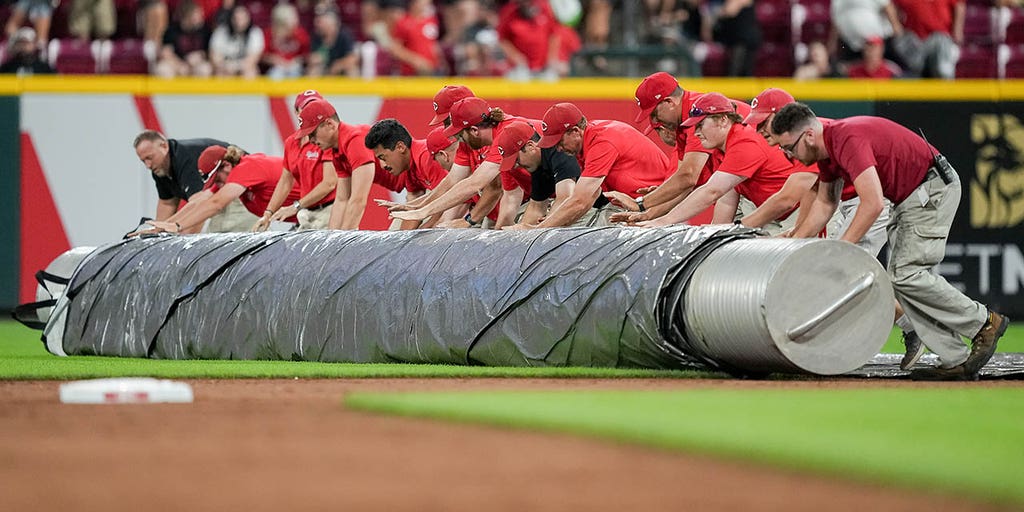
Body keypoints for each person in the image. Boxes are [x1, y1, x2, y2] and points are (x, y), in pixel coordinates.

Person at [771, 103, 1008, 380]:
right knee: (900, 279)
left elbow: (871, 204)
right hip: (910, 195)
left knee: (907, 274)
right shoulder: (827, 151)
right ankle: (954, 358)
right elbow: (825, 204)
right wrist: (795, 241)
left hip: (930, 189)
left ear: (808, 136)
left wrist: (843, 250)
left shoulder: (846, 139)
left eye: (789, 148)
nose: (788, 157)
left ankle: (985, 321)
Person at [630, 93, 810, 235]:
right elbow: (725, 200)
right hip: (773, 212)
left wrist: (661, 219)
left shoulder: (745, 141)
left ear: (723, 120)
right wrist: (712, 236)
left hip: (803, 209)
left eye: (700, 125)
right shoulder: (720, 149)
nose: (696, 133)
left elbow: (710, 191)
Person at [608, 72, 751, 224]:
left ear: (669, 102)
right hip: (739, 188)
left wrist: (641, 204)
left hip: (760, 183)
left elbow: (688, 177)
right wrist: (649, 214)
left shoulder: (699, 113)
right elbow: (686, 185)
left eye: (654, 114)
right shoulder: (685, 124)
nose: (654, 120)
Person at [391, 96, 542, 229]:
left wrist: (423, 211)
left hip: (549, 193)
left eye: (459, 134)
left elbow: (474, 184)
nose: (455, 139)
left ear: (474, 130)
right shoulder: (491, 139)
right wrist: (418, 206)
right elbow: (456, 180)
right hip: (540, 195)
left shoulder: (505, 137)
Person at [535, 102, 673, 227]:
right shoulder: (586, 141)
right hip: (636, 205)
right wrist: (554, 221)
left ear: (576, 131)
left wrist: (540, 231)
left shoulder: (601, 142)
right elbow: (589, 197)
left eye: (559, 142)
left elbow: (580, 201)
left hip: (658, 207)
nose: (558, 148)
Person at [141, 145, 298, 234]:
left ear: (227, 165)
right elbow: (200, 201)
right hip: (306, 213)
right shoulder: (233, 175)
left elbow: (216, 204)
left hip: (318, 210)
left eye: (217, 178)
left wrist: (177, 226)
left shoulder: (247, 167)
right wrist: (161, 227)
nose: (218, 184)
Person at [492, 120, 605, 230]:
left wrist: (539, 227)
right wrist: (519, 234)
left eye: (516, 160)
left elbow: (566, 198)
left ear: (531, 146)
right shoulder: (537, 165)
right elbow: (536, 207)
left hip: (604, 206)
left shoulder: (559, 151)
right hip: (584, 206)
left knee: (559, 227)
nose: (517, 166)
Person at [133, 130, 253, 233]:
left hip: (244, 191)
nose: (147, 165)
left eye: (150, 157)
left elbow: (200, 205)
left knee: (224, 240)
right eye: (143, 161)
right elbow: (167, 204)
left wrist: (184, 246)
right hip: (223, 193)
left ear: (164, 146)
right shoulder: (160, 168)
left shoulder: (186, 157)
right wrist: (156, 233)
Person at [255, 90, 339, 232]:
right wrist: (268, 214)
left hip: (329, 209)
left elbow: (329, 183)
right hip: (306, 211)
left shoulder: (326, 139)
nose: (311, 111)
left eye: (315, 105)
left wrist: (295, 206)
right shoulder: (292, 142)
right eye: (306, 107)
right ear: (297, 113)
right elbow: (285, 181)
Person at [294, 98, 384, 230]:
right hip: (413, 187)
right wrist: (331, 238)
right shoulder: (337, 149)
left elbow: (358, 201)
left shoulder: (354, 141)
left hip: (418, 185)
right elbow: (342, 200)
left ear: (330, 124)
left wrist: (343, 242)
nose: (311, 140)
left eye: (312, 133)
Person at [363, 118, 450, 229]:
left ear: (400, 147)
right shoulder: (407, 165)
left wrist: (426, 228)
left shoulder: (425, 156)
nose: (382, 165)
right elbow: (413, 202)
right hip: (442, 200)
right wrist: (402, 240)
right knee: (394, 231)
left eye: (383, 157)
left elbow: (447, 199)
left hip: (459, 204)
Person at [154, 0, 213, 78]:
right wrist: (180, 65)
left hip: (196, 65)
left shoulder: (205, 31)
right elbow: (165, 53)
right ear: (187, 15)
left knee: (204, 69)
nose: (201, 16)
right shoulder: (172, 31)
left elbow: (211, 53)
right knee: (162, 69)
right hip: (177, 65)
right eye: (197, 14)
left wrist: (201, 56)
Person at [208, 3, 264, 78]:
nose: (239, 22)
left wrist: (235, 66)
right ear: (231, 19)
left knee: (250, 73)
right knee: (218, 73)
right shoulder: (221, 31)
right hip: (224, 67)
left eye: (242, 18)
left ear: (248, 19)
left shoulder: (255, 33)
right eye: (236, 18)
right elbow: (214, 57)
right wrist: (225, 66)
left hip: (243, 67)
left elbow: (252, 60)